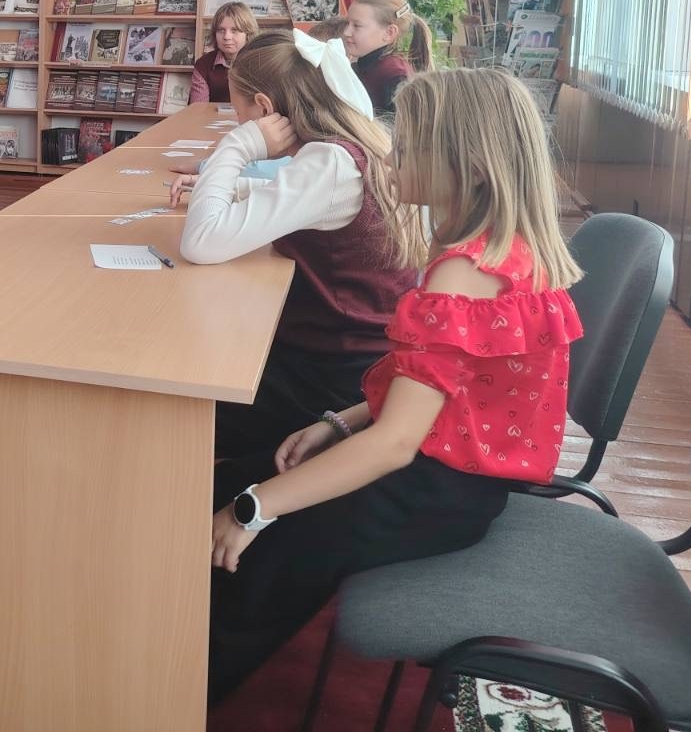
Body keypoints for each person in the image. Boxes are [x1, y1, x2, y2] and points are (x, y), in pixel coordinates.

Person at [207, 69, 584, 704]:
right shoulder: (511, 250)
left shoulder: (462, 275)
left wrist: (253, 510)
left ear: (468, 165)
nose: (390, 157)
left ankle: (183, 686)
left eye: (407, 147)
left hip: (430, 494)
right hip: (456, 481)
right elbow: (443, 390)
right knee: (240, 480)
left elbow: (395, 446)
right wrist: (339, 422)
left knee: (254, 549)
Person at [180, 29, 408, 472]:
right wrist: (227, 187)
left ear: (264, 110)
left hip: (337, 376)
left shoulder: (329, 164)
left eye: (239, 114)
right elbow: (296, 199)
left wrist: (237, 148)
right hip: (354, 356)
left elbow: (200, 242)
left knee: (181, 401)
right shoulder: (344, 148)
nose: (238, 124)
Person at [342, 0, 433, 115]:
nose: (346, 32)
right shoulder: (366, 67)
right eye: (347, 24)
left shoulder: (395, 77)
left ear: (389, 33)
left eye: (357, 25)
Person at [189, 1, 259, 103]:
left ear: (248, 34)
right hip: (210, 114)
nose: (226, 37)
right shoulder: (203, 65)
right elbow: (198, 108)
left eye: (234, 30)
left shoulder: (261, 63)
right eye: (221, 30)